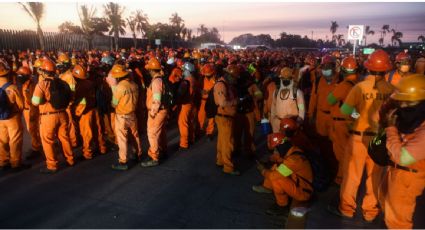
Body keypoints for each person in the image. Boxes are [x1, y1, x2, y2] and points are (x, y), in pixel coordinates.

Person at [328, 49, 393, 222]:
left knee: (352, 176)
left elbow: (345, 111)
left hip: (358, 138)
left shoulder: (359, 87)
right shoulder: (392, 90)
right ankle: (370, 211)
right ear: (387, 69)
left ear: (368, 68)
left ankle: (347, 209)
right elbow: (394, 118)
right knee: (375, 177)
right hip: (379, 140)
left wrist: (359, 117)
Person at [383, 74, 425, 229]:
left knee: (399, 222)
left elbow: (404, 158)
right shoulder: (413, 119)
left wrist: (390, 128)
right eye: (402, 102)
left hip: (407, 178)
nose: (403, 107)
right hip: (396, 171)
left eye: (409, 103)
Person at [253, 118, 313, 216]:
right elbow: (281, 159)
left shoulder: (293, 160)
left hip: (304, 193)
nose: (275, 152)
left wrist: (263, 170)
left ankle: (282, 206)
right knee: (276, 167)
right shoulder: (292, 150)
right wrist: (270, 161)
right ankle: (269, 188)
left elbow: (274, 175)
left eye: (276, 150)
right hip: (299, 184)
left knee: (277, 179)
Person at [32, 57, 75, 173]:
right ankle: (70, 160)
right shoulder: (63, 82)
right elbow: (71, 98)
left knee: (48, 140)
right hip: (63, 115)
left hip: (48, 116)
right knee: (64, 138)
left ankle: (52, 165)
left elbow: (35, 102)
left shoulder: (42, 84)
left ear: (43, 71)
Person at [327, 56, 358, 185]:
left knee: (341, 153)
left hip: (340, 123)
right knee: (346, 151)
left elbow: (330, 100)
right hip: (351, 122)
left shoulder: (343, 85)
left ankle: (341, 179)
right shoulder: (358, 85)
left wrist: (335, 88)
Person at [106, 64, 142, 170]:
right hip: (132, 115)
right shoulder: (134, 84)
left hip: (122, 116)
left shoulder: (119, 87)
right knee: (135, 136)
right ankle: (138, 154)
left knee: (122, 139)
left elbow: (114, 103)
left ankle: (123, 161)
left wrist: (112, 88)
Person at [72, 64, 107, 160]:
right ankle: (102, 148)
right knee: (98, 131)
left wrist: (76, 112)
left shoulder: (79, 86)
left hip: (86, 112)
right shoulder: (91, 83)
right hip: (95, 109)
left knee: (87, 133)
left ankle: (88, 153)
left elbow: (79, 101)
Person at [0, 60, 28, 171]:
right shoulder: (12, 87)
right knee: (15, 140)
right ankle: (16, 163)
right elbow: (21, 104)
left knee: (2, 140)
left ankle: (3, 161)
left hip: (0, 117)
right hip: (12, 117)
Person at [142, 58, 168, 167]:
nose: (148, 72)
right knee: (160, 133)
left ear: (152, 70)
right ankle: (160, 151)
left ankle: (154, 157)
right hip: (161, 110)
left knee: (152, 134)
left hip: (157, 111)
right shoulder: (159, 79)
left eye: (149, 70)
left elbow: (157, 99)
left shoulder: (156, 81)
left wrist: (153, 112)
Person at [213, 64, 239, 175]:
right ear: (228, 75)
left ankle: (220, 160)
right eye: (233, 77)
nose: (234, 79)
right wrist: (235, 102)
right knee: (228, 143)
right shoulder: (221, 85)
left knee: (222, 141)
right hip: (224, 118)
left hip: (224, 117)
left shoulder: (225, 84)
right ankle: (228, 167)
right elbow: (222, 103)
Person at [16, 66, 42, 159]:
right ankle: (38, 145)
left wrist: (32, 113)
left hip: (32, 110)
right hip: (26, 110)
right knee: (31, 129)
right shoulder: (23, 85)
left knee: (33, 129)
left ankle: (36, 148)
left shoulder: (32, 85)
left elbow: (33, 101)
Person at [270, 67, 305, 133]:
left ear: (291, 78)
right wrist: (273, 121)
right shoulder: (276, 92)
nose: (285, 80)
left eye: (287, 78)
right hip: (277, 124)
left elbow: (301, 108)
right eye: (283, 78)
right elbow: (273, 107)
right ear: (281, 79)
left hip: (291, 125)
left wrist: (298, 123)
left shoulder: (297, 92)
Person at [198, 63, 217, 140]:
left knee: (211, 117)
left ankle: (210, 132)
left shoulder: (215, 79)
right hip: (203, 100)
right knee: (201, 116)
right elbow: (197, 87)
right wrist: (201, 91)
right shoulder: (201, 78)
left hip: (211, 101)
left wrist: (209, 92)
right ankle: (200, 129)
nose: (207, 75)